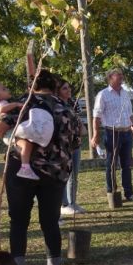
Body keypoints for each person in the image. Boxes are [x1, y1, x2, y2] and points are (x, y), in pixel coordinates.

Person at [0, 69, 81, 265]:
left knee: (19, 220)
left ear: (31, 84)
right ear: (54, 85)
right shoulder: (66, 109)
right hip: (55, 173)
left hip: (21, 172)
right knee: (50, 221)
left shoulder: (23, 104)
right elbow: (77, 140)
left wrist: (17, 141)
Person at [90, 68, 133, 202]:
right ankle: (111, 192)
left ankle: (129, 194)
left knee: (126, 165)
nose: (121, 77)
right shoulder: (103, 94)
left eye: (122, 75)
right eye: (118, 75)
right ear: (110, 78)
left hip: (126, 133)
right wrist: (95, 134)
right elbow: (96, 116)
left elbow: (130, 113)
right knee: (111, 164)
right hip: (112, 133)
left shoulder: (125, 93)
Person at [0, 80, 41, 180]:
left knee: (25, 146)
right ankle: (25, 168)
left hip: (8, 133)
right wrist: (16, 104)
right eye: (3, 89)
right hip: (8, 134)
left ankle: (25, 166)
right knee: (27, 145)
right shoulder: (1, 104)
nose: (7, 89)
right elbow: (2, 110)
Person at [58, 79, 86, 216]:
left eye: (68, 88)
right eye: (64, 88)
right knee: (64, 175)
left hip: (75, 143)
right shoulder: (56, 104)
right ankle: (63, 204)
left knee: (74, 174)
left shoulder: (73, 103)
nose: (68, 90)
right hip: (63, 145)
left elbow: (78, 120)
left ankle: (72, 202)